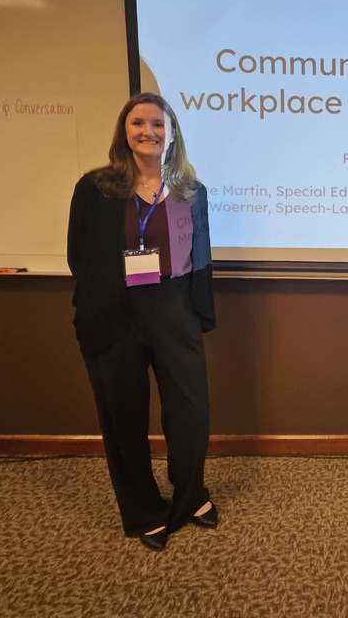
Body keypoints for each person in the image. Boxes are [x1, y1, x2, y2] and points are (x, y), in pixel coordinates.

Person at [67, 92, 218, 551]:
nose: (148, 131)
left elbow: (201, 255)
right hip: (116, 310)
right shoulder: (95, 188)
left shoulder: (191, 190)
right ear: (124, 131)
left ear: (171, 133)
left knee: (191, 414)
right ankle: (143, 511)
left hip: (174, 307)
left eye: (158, 123)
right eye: (138, 123)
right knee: (123, 416)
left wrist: (196, 311)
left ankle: (190, 495)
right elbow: (79, 254)